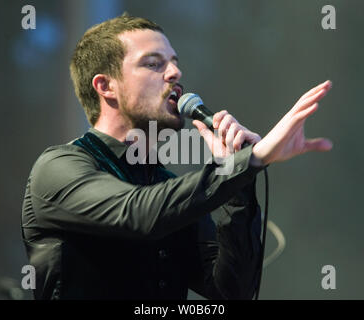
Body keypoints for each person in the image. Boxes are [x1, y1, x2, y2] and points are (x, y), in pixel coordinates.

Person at [21, 13, 333, 300]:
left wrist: (238, 182)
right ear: (106, 86)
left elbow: (231, 292)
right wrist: (248, 163)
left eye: (174, 62)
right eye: (153, 63)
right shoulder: (58, 168)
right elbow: (139, 214)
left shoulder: (165, 185)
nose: (175, 72)